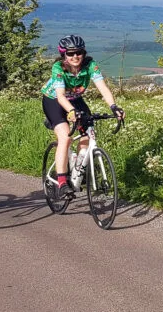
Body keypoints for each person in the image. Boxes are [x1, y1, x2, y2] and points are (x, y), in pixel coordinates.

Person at [40, 34, 124, 198]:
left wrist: (114, 107)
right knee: (65, 137)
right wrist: (71, 112)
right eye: (70, 53)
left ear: (83, 53)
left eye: (78, 52)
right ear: (64, 55)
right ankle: (62, 182)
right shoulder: (58, 67)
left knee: (88, 133)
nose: (75, 56)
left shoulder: (90, 65)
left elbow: (103, 88)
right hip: (54, 100)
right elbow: (61, 96)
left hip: (76, 99)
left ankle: (79, 169)